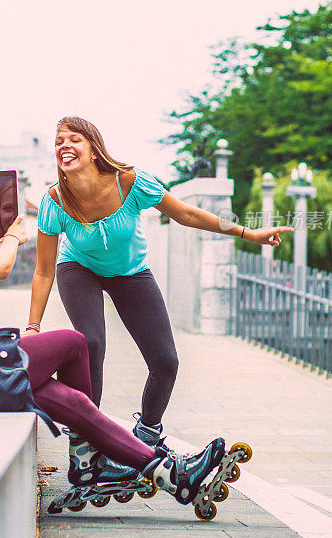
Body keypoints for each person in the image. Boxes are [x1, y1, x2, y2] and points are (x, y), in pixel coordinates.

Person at [0, 167, 231, 510]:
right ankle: (89, 457)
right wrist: (12, 236)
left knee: (70, 403)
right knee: (75, 344)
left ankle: (167, 475)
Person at [25, 116, 294, 448]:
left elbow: (186, 214)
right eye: (59, 141)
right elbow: (43, 270)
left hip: (131, 271)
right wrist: (33, 326)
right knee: (91, 343)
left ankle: (147, 436)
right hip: (78, 268)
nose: (64, 145)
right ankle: (85, 441)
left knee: (166, 362)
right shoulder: (54, 202)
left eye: (74, 139)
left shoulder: (130, 182)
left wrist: (247, 233)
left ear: (94, 149)